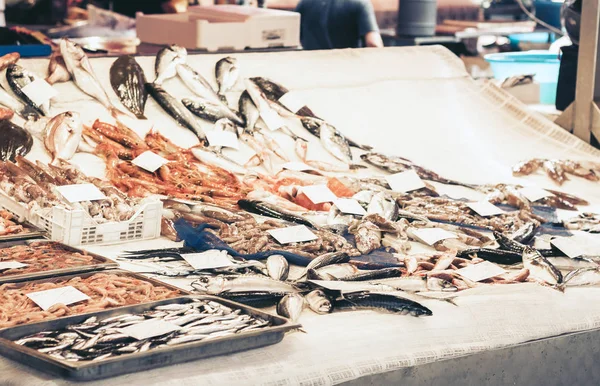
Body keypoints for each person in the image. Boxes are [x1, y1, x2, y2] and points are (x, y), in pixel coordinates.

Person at [295, 0, 383, 50]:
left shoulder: (304, 3)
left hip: (311, 69)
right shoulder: (360, 3)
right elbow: (373, 43)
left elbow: (292, 38)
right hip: (347, 69)